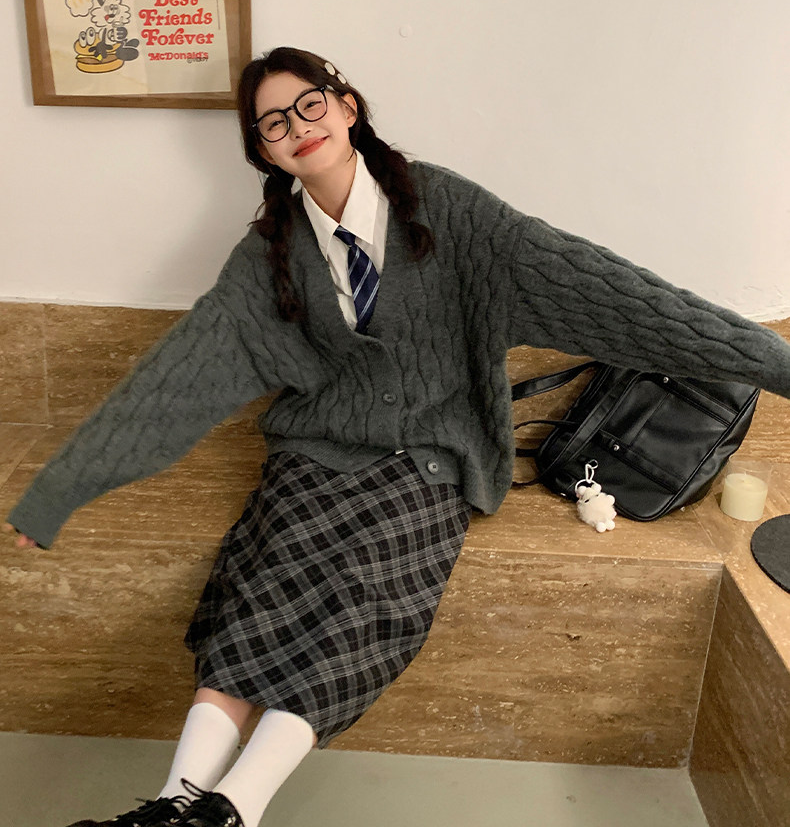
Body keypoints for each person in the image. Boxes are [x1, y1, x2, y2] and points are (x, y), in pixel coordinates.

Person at [5, 46, 790, 827]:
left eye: (309, 104)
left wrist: (774, 363)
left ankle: (234, 810)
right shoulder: (268, 254)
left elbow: (611, 291)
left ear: (346, 106)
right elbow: (175, 378)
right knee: (261, 587)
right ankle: (173, 805)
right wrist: (61, 489)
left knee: (366, 595)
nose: (297, 127)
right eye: (273, 123)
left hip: (431, 457)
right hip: (317, 450)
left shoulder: (450, 212)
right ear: (263, 151)